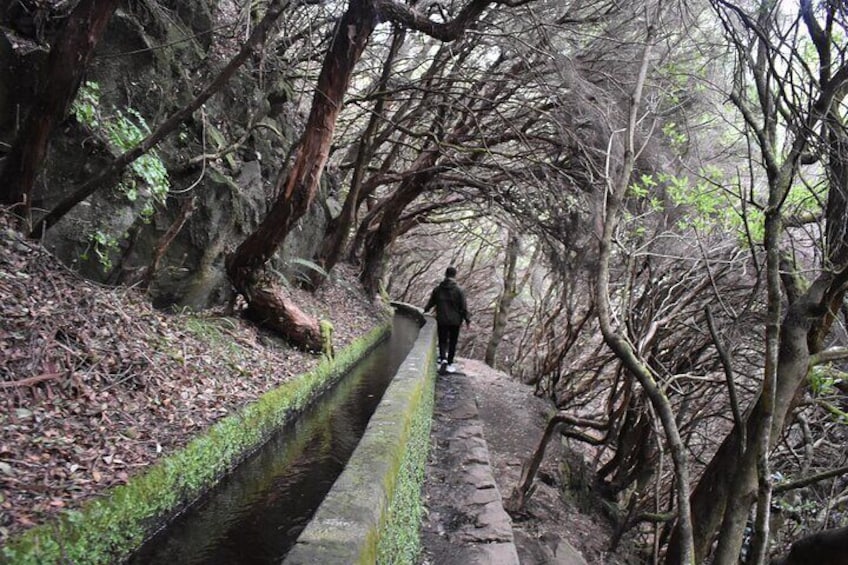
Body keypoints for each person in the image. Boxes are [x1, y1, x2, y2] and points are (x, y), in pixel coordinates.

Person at [424, 266, 470, 373]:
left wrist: (425, 310)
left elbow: (431, 302)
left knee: (442, 340)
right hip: (455, 321)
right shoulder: (459, 290)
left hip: (442, 319)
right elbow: (464, 307)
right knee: (453, 341)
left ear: (445, 274)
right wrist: (467, 320)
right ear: (455, 275)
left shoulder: (438, 289)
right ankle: (449, 363)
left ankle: (443, 358)